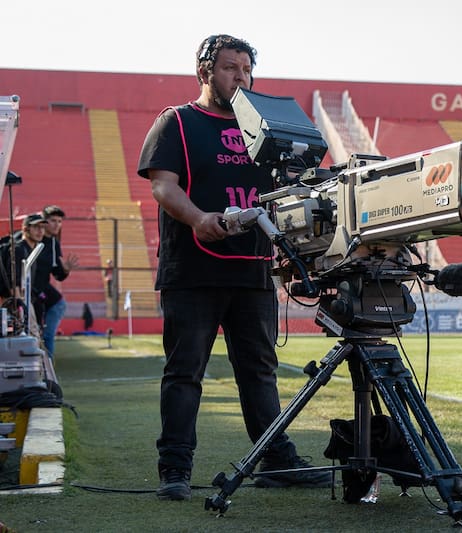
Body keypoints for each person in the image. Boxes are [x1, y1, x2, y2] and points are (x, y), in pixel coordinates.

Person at [137, 33, 329, 501]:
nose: (240, 77)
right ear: (205, 72)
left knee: (260, 371)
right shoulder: (177, 122)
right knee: (185, 372)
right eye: (230, 68)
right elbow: (163, 186)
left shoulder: (265, 129)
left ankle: (274, 460)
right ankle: (175, 470)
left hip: (253, 269)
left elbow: (291, 187)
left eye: (246, 69)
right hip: (194, 270)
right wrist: (200, 218)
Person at [40, 205, 79, 359]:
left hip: (49, 300)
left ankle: (48, 373)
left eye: (59, 221)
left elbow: (58, 275)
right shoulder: (32, 240)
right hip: (33, 295)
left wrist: (66, 270)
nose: (57, 224)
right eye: (53, 220)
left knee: (47, 336)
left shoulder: (54, 244)